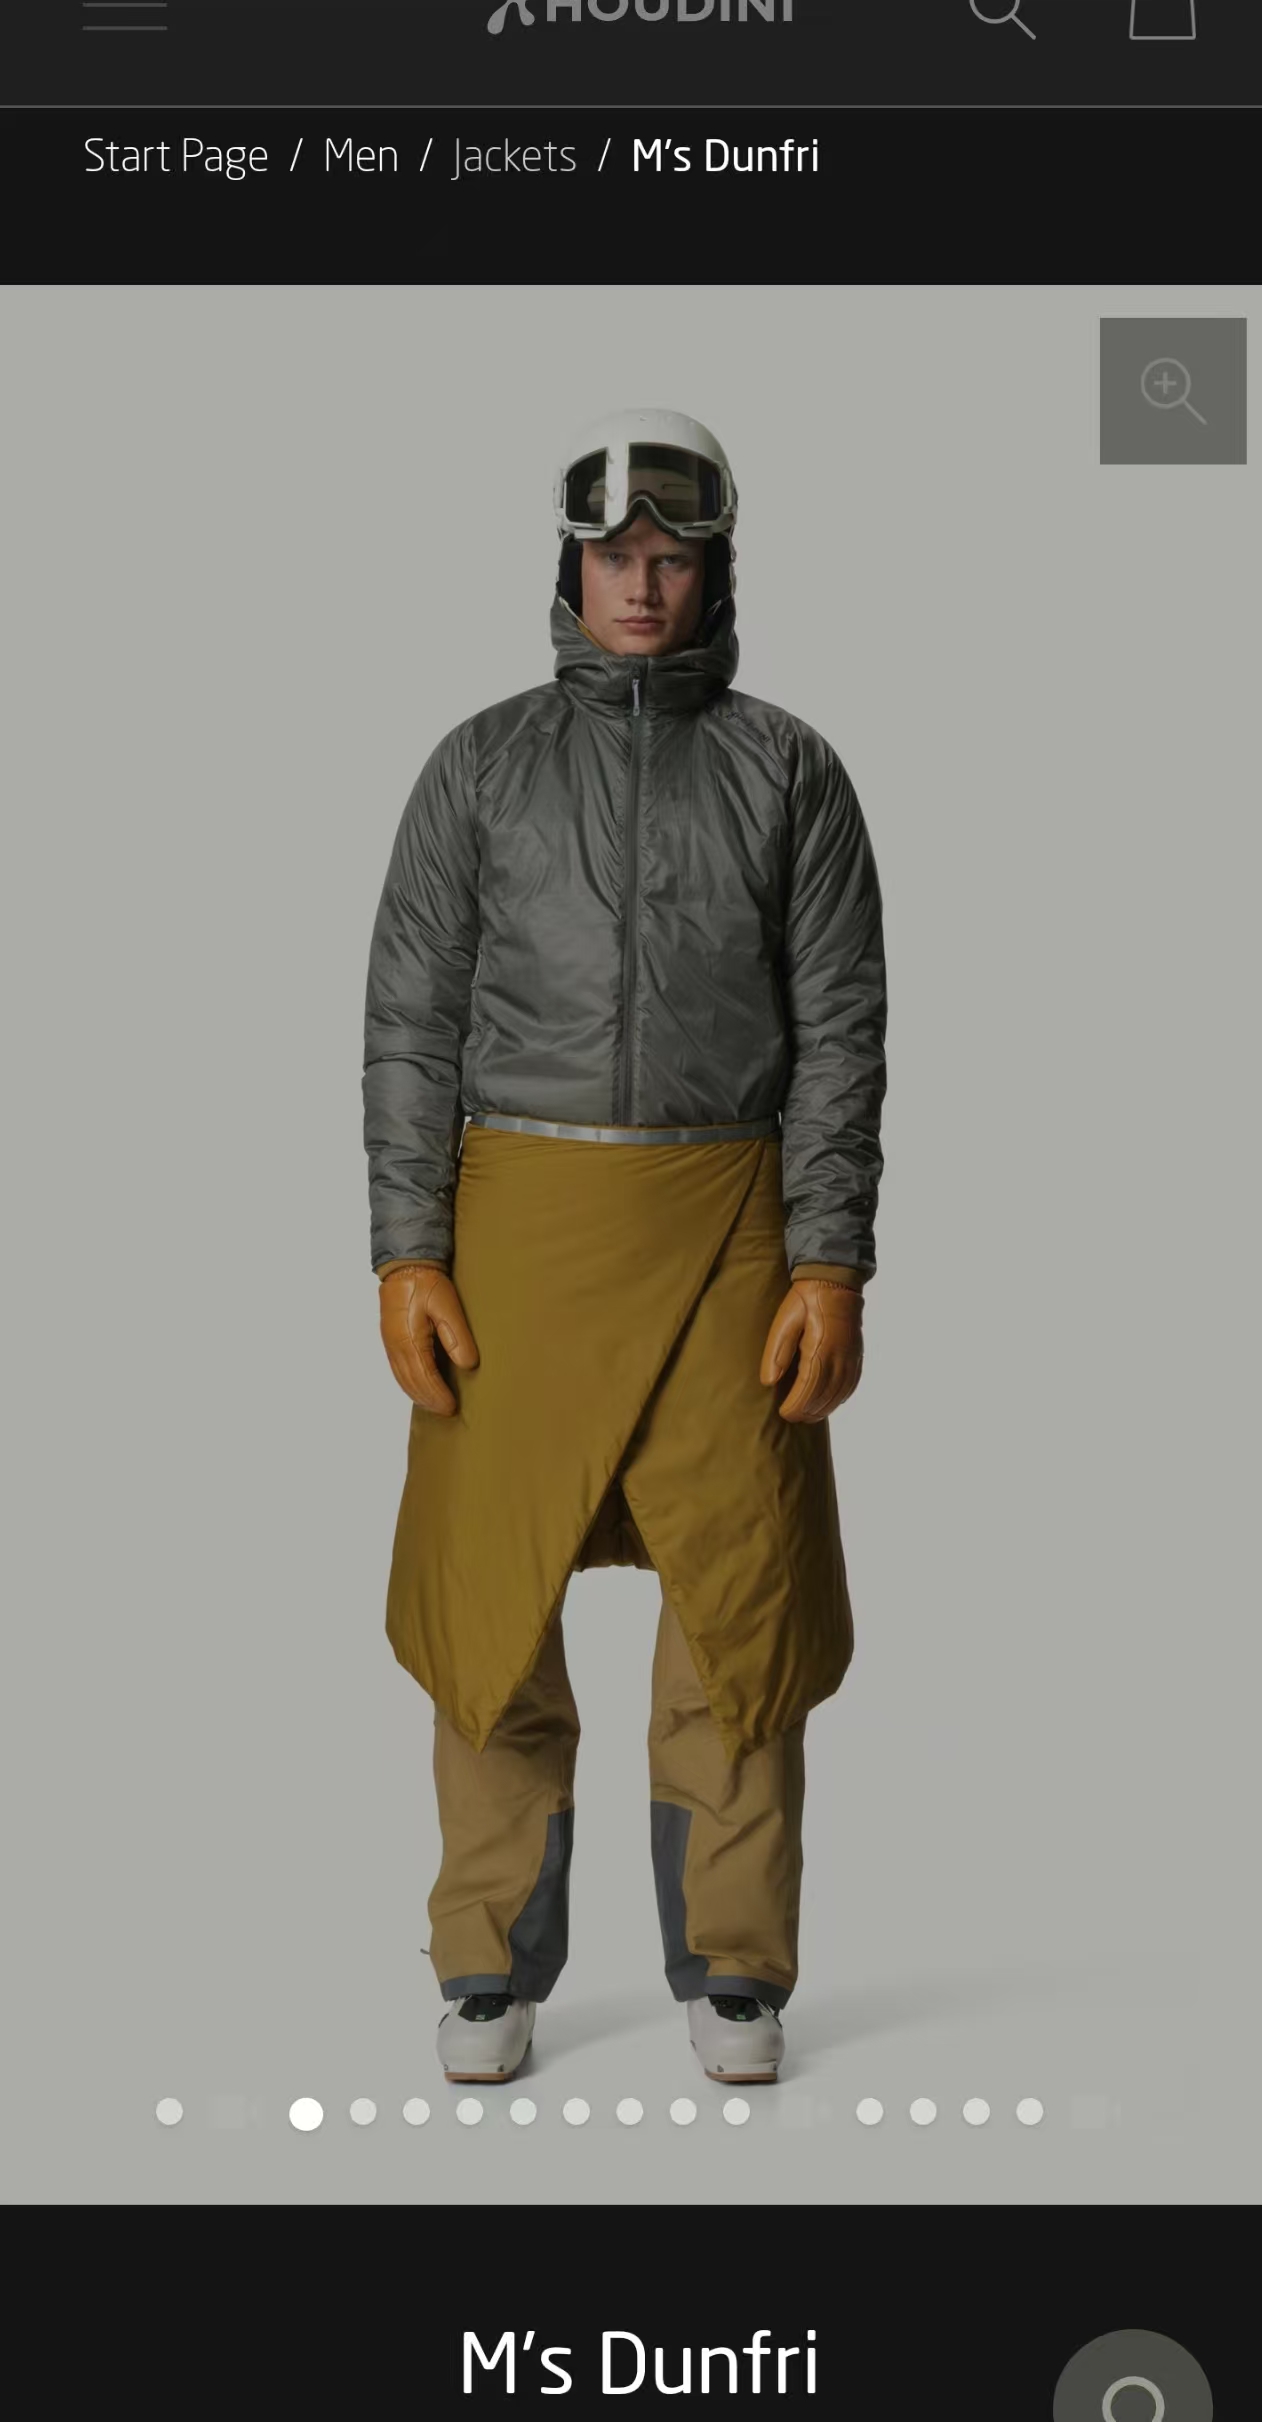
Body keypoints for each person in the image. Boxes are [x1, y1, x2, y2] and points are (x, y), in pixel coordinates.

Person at [363, 407, 888, 2087]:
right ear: (570, 566)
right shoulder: (478, 768)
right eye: (615, 554)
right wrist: (407, 1247)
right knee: (491, 1607)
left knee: (738, 1607)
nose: (642, 583)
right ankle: (486, 1963)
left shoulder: (792, 772)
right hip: (512, 1231)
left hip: (732, 1226)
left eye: (671, 555)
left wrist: (830, 1258)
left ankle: (735, 1963)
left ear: (714, 568)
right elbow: (409, 1024)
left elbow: (842, 1035)